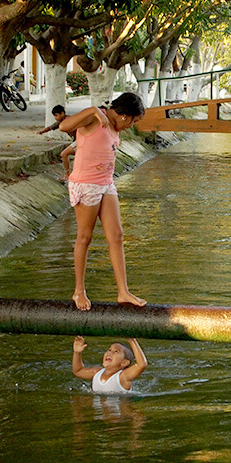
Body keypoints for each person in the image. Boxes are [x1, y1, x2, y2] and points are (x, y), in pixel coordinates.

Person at [59, 92, 147, 311]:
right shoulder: (95, 118)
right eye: (134, 121)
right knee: (85, 237)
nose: (132, 126)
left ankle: (123, 291)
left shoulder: (115, 127)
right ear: (126, 116)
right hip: (86, 184)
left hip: (106, 183)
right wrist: (92, 110)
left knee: (116, 236)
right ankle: (79, 290)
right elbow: (64, 126)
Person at [72, 336, 147, 394]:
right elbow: (78, 371)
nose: (109, 353)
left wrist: (131, 340)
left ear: (124, 363)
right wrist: (77, 352)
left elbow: (141, 364)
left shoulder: (123, 377)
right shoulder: (96, 372)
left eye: (116, 351)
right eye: (109, 350)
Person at [37, 104, 76, 180]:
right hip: (77, 141)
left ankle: (67, 174)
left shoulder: (69, 120)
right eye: (54, 116)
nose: (55, 118)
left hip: (81, 141)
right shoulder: (61, 122)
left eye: (56, 115)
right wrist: (42, 131)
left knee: (64, 154)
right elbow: (51, 127)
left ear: (62, 113)